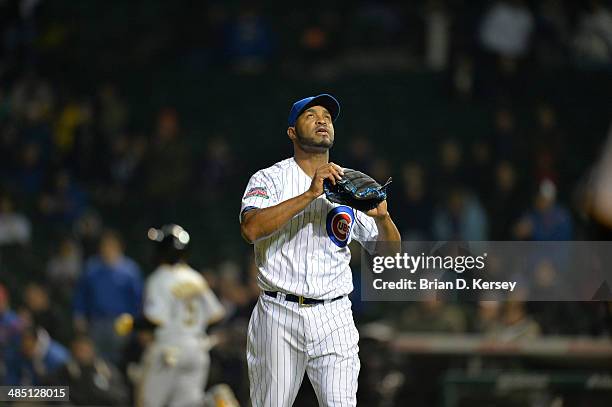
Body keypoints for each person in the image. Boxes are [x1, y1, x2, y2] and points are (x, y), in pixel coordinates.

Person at [239, 94, 401, 406]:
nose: (322, 119)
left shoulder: (351, 184)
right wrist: (312, 193)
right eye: (310, 115)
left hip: (334, 313)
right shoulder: (270, 179)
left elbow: (390, 258)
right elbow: (251, 229)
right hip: (278, 313)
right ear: (291, 132)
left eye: (327, 115)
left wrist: (384, 219)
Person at [138, 224, 225, 407]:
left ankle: (211, 403)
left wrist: (133, 324)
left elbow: (155, 319)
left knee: (148, 403)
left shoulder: (158, 279)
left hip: (169, 350)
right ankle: (211, 401)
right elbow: (216, 315)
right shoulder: (195, 278)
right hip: (197, 350)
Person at [73, 229, 143, 364]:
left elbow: (137, 299)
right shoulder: (92, 267)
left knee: (118, 358)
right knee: (95, 358)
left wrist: (136, 322)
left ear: (118, 247)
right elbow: (81, 293)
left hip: (121, 321)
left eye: (111, 246)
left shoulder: (130, 270)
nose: (107, 249)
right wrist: (79, 315)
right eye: (105, 246)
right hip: (97, 320)